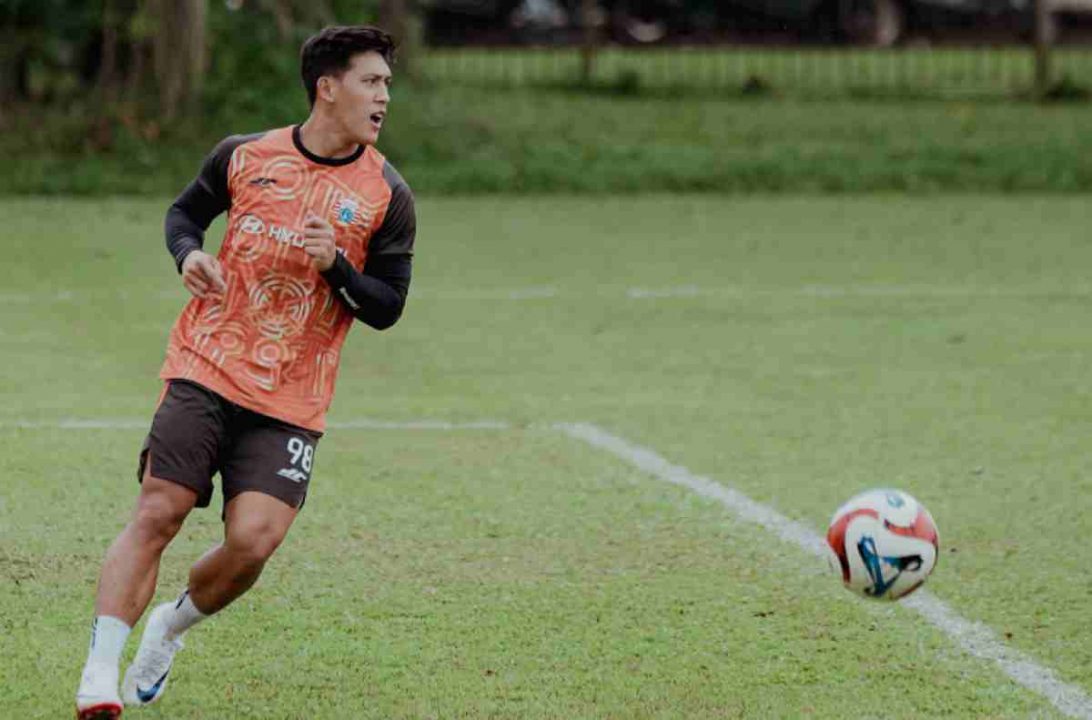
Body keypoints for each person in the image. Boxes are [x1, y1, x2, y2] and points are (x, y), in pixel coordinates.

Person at [75, 25, 415, 720]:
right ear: (328, 87)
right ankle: (99, 673)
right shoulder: (244, 155)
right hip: (206, 366)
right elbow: (184, 214)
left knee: (253, 542)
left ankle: (168, 629)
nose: (384, 95)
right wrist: (187, 255)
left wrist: (338, 269)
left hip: (292, 397)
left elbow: (387, 306)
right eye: (371, 81)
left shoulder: (386, 193)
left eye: (386, 83)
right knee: (160, 508)